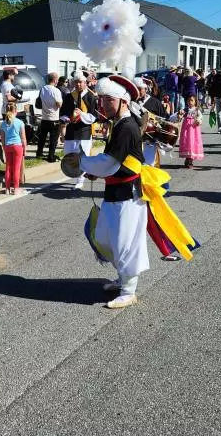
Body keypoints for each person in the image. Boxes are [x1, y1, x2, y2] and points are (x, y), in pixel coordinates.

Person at [78, 76, 196, 308]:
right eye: (101, 99)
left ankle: (129, 290)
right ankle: (123, 278)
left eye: (107, 100)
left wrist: (84, 163)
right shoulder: (118, 124)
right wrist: (98, 172)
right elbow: (113, 164)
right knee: (105, 237)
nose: (102, 104)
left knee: (125, 242)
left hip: (129, 194)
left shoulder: (127, 127)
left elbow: (109, 161)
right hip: (115, 190)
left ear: (123, 101)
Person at [58, 71, 97, 190]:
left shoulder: (91, 97)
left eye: (80, 82)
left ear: (85, 83)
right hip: (71, 131)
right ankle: (74, 175)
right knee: (69, 155)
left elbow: (94, 116)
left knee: (82, 156)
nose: (78, 84)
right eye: (76, 82)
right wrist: (66, 119)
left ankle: (80, 180)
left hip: (84, 131)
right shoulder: (70, 96)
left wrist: (81, 115)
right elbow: (63, 113)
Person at [0, 102, 27, 195]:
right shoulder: (19, 122)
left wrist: (4, 147)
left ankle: (7, 188)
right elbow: (23, 138)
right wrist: (25, 149)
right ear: (15, 111)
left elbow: (2, 138)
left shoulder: (3, 123)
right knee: (16, 168)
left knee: (8, 167)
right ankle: (16, 188)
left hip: (8, 146)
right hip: (17, 146)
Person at [36, 72, 63, 162]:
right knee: (53, 139)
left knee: (42, 137)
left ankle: (39, 153)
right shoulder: (56, 91)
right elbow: (59, 104)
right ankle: (51, 156)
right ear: (55, 80)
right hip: (54, 118)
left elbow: (40, 100)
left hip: (44, 117)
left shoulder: (43, 89)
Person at [179, 94, 204, 168]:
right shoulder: (185, 110)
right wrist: (179, 114)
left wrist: (198, 121)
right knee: (187, 142)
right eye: (188, 100)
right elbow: (179, 116)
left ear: (195, 102)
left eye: (192, 100)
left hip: (193, 129)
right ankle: (188, 158)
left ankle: (190, 160)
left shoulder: (196, 110)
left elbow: (200, 117)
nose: (190, 102)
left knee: (192, 143)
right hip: (186, 129)